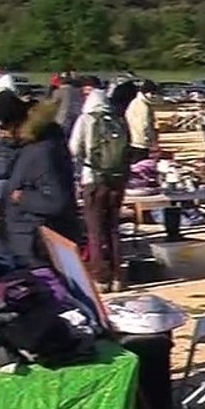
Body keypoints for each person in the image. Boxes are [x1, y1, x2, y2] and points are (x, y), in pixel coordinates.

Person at [3, 100, 80, 266]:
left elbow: (57, 201)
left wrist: (22, 198)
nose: (0, 134)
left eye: (2, 128)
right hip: (31, 238)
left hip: (37, 243)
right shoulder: (37, 147)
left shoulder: (41, 152)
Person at [69, 89, 131, 292]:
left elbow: (74, 149)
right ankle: (118, 276)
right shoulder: (118, 119)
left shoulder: (85, 120)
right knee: (113, 228)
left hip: (94, 179)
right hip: (117, 180)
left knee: (95, 230)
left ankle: (101, 277)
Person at [125, 80, 160, 164]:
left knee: (138, 162)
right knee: (140, 162)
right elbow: (144, 124)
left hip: (136, 139)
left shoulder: (138, 102)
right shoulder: (142, 105)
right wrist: (150, 140)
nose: (154, 96)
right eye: (153, 93)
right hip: (140, 140)